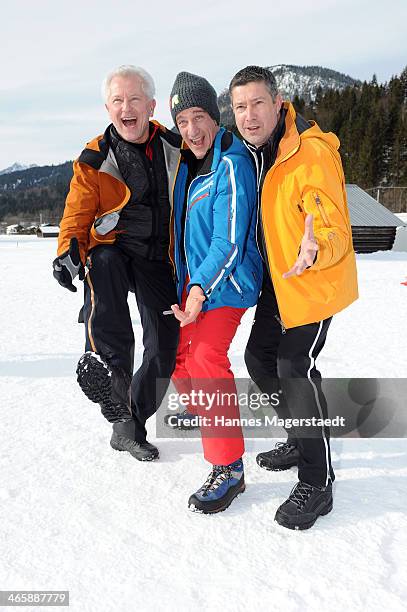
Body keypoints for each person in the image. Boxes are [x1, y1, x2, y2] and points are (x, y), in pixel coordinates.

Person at [229, 65, 358, 529]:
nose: (249, 115)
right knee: (259, 360)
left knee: (292, 367)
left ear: (279, 100)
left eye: (257, 103)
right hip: (279, 283)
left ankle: (318, 481)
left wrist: (315, 247)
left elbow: (335, 230)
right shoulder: (257, 151)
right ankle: (300, 436)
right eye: (240, 107)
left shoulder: (310, 153)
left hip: (314, 283)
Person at [53, 65, 181, 462]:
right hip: (116, 248)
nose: (126, 108)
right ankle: (105, 367)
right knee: (102, 263)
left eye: (135, 99)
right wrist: (67, 251)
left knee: (164, 346)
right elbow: (76, 214)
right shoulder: (94, 158)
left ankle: (129, 421)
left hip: (158, 256)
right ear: (108, 108)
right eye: (118, 101)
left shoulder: (176, 146)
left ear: (151, 105)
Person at [168, 72, 262, 514]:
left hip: (230, 282)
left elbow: (229, 241)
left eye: (199, 116)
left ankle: (230, 468)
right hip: (199, 284)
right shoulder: (190, 166)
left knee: (206, 358)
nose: (192, 129)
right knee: (175, 353)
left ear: (214, 115)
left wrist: (200, 289)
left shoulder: (230, 160)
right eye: (183, 120)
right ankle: (204, 411)